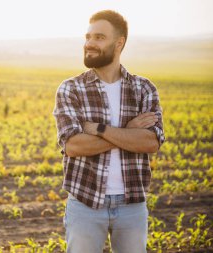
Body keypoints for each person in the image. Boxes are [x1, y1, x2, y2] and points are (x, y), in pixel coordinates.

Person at [52, 10, 166, 253]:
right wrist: (128, 131)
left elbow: (150, 142)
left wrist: (99, 130)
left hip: (132, 205)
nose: (90, 44)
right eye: (88, 36)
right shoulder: (71, 89)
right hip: (84, 204)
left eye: (99, 37)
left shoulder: (144, 88)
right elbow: (73, 146)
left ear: (119, 42)